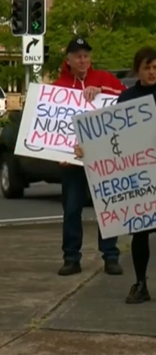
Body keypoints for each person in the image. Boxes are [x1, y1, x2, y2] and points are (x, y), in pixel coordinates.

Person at [75, 47, 156, 302]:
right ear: (137, 70)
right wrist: (86, 149)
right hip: (139, 177)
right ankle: (140, 283)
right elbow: (109, 138)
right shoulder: (127, 98)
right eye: (147, 67)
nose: (152, 72)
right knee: (140, 233)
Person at [54, 38, 127, 276]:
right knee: (72, 209)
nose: (82, 60)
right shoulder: (58, 88)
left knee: (107, 208)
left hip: (103, 158)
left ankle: (111, 256)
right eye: (77, 56)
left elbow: (126, 101)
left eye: (86, 55)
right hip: (72, 161)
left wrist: (101, 92)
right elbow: (51, 127)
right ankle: (71, 258)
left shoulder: (106, 80)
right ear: (68, 60)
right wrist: (58, 153)